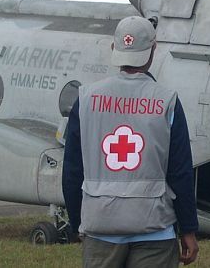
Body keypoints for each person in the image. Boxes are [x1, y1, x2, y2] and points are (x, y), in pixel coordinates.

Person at [62, 16, 199, 267]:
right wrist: (188, 229)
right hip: (155, 228)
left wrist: (76, 221)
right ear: (153, 50)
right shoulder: (167, 102)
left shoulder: (86, 99)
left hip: (100, 227)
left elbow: (72, 170)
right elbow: (180, 172)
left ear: (114, 50)